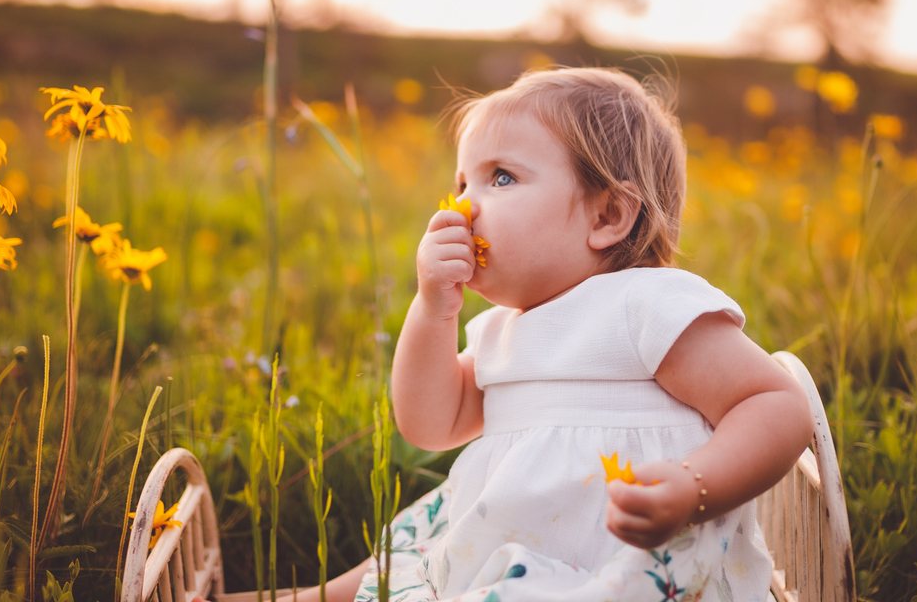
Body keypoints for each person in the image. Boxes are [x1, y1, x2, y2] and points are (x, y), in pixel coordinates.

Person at [227, 67, 813, 602]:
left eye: (500, 178)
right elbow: (429, 423)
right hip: (497, 549)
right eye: (461, 181)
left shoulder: (645, 305)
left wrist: (693, 485)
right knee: (392, 566)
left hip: (618, 569)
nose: (461, 206)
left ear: (607, 216)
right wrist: (433, 308)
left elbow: (775, 403)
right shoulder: (498, 331)